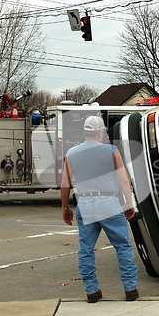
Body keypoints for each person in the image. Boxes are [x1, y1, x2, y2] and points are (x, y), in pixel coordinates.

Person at [60, 115, 138, 303]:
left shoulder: (71, 153)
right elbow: (123, 179)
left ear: (85, 132)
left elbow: (65, 184)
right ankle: (130, 289)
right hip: (108, 202)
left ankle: (92, 291)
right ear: (101, 132)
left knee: (86, 249)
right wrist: (129, 203)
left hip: (85, 203)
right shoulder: (111, 151)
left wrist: (65, 207)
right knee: (122, 246)